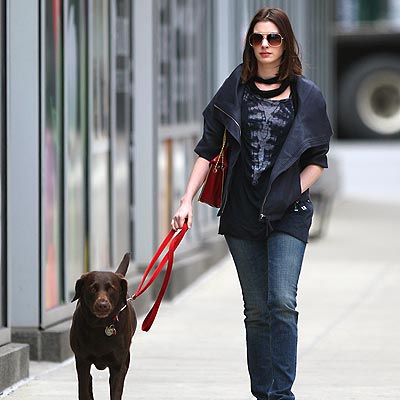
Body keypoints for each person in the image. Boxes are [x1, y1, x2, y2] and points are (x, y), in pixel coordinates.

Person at [171, 7, 333, 400]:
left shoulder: (306, 95)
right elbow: (208, 149)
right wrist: (186, 200)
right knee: (257, 311)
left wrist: (289, 191)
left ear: (285, 44)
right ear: (249, 44)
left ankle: (281, 394)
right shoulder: (235, 89)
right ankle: (264, 393)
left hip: (288, 214)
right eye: (257, 38)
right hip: (242, 212)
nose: (264, 45)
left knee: (282, 301)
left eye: (272, 38)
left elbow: (317, 160)